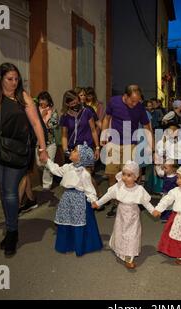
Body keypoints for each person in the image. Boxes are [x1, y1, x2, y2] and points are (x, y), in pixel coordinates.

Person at [0, 63, 48, 257]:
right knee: (5, 191)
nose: (14, 83)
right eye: (10, 79)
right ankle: (10, 225)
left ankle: (12, 233)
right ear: (1, 79)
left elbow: (36, 122)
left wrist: (42, 147)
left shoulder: (23, 97)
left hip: (19, 151)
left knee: (12, 192)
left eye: (16, 79)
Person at [100, 85, 153, 218]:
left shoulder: (139, 107)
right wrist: (104, 134)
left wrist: (151, 146)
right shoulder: (114, 101)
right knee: (112, 175)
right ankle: (115, 204)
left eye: (137, 101)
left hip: (131, 144)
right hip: (114, 142)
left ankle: (130, 202)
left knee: (129, 175)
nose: (135, 104)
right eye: (132, 101)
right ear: (125, 96)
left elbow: (147, 126)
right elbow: (106, 118)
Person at [92, 161, 156, 269]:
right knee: (120, 232)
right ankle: (120, 249)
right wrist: (98, 203)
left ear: (136, 177)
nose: (125, 177)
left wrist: (153, 210)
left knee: (132, 235)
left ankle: (129, 257)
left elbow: (146, 203)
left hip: (133, 216)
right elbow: (108, 195)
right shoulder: (119, 186)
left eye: (129, 175)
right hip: (121, 214)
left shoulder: (139, 190)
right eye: (124, 174)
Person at [44, 144, 102, 256]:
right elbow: (56, 170)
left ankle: (81, 245)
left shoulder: (84, 174)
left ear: (82, 158)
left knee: (79, 222)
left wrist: (94, 200)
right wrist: (47, 160)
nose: (72, 151)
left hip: (79, 200)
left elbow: (89, 189)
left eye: (75, 151)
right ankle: (68, 244)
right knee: (67, 219)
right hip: (67, 198)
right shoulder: (68, 167)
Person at [36, 91, 59, 190]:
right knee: (39, 163)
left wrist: (44, 117)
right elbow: (34, 124)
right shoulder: (36, 111)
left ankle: (47, 186)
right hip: (38, 143)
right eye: (40, 100)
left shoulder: (53, 111)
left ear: (48, 100)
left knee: (48, 164)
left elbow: (52, 125)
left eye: (44, 99)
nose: (41, 102)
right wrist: (41, 116)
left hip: (50, 142)